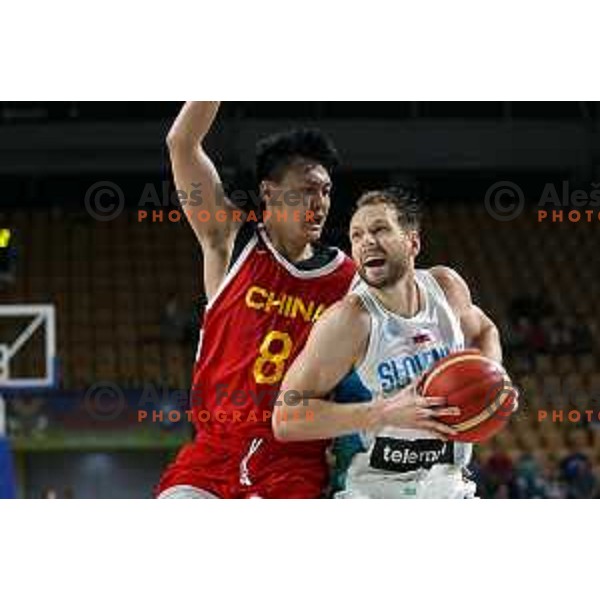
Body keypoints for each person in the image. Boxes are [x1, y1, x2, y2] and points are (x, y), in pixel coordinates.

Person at [156, 101, 359, 498]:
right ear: (269, 192)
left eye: (326, 191)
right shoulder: (231, 241)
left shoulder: (348, 280)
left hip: (294, 462)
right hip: (212, 454)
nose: (319, 202)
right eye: (305, 190)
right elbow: (181, 142)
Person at [274, 188, 506, 498]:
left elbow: (484, 331)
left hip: (451, 488)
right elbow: (287, 418)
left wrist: (495, 381)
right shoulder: (349, 320)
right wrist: (383, 413)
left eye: (379, 229)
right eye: (356, 236)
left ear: (413, 242)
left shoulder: (445, 288)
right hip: (375, 493)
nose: (366, 241)